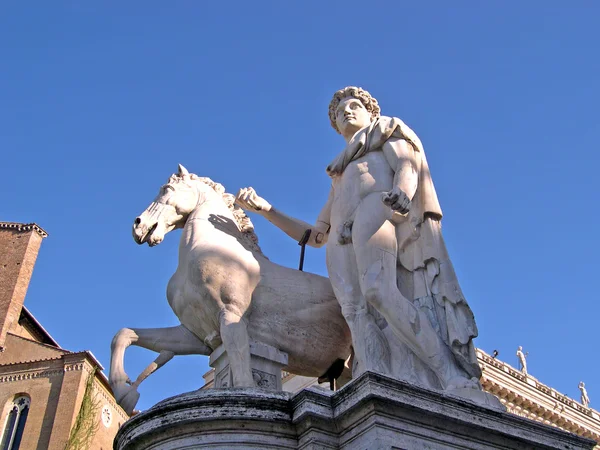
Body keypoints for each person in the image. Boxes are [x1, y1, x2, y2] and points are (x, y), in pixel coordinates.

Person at [236, 86, 480, 390]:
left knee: (379, 291)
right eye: (339, 112)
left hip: (376, 209)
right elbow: (313, 236)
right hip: (340, 237)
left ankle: (448, 373)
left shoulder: (382, 132)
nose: (346, 112)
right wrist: (267, 210)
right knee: (354, 311)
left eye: (353, 106)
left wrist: (403, 191)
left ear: (370, 112)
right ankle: (376, 379)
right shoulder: (339, 173)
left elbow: (407, 164)